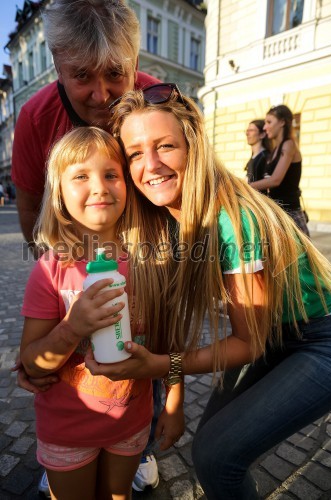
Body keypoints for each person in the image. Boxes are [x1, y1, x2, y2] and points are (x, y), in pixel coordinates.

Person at [82, 84, 331, 499]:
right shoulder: (170, 217)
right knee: (209, 447)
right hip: (270, 333)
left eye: (165, 146)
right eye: (135, 153)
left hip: (319, 339)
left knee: (217, 456)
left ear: (193, 145)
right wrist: (174, 403)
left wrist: (158, 367)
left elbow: (247, 344)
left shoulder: (234, 220)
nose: (152, 164)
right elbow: (176, 316)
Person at [11, 0, 161, 493]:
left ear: (134, 63)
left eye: (116, 73)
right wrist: (55, 284)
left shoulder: (152, 98)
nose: (102, 94)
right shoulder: (35, 119)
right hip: (72, 275)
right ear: (57, 65)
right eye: (82, 77)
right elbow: (34, 212)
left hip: (144, 256)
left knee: (141, 351)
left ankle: (140, 443)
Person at [19, 126, 184, 500]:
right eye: (80, 176)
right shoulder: (51, 269)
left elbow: (170, 347)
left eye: (111, 174)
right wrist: (71, 327)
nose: (99, 186)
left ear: (127, 185)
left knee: (119, 496)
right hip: (67, 431)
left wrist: (173, 405)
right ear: (59, 193)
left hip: (131, 426)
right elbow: (31, 364)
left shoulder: (150, 264)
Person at [249, 105, 310, 236]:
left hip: (290, 214)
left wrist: (245, 186)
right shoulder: (275, 150)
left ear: (282, 122)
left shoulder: (288, 144)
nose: (265, 127)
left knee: (302, 256)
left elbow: (275, 180)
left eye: (269, 122)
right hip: (277, 213)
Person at [244, 119, 270, 189]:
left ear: (262, 135)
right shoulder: (253, 158)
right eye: (247, 130)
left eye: (251, 130)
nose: (247, 133)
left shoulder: (266, 157)